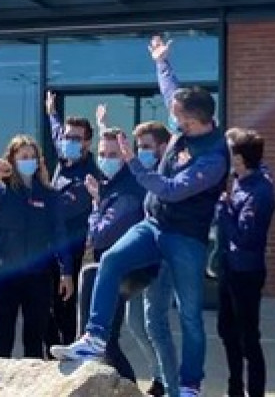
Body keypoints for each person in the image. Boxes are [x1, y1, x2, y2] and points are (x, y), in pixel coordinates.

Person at [54, 35, 229, 397]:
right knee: (112, 260)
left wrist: (131, 160)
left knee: (191, 317)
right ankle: (95, 338)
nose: (173, 120)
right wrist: (162, 62)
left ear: (196, 122)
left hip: (185, 238)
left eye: (179, 119)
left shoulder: (213, 158)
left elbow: (170, 189)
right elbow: (171, 93)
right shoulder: (186, 121)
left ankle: (190, 385)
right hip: (154, 224)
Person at [0, 134, 72, 359]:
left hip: (38, 277)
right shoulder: (0, 190)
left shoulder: (49, 195)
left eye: (32, 156)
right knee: (2, 343)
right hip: (3, 277)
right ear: (13, 160)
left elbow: (60, 234)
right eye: (23, 156)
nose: (28, 160)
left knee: (34, 342)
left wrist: (66, 272)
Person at [76, 128, 150, 383]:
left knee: (107, 342)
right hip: (115, 269)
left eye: (113, 154)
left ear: (125, 154)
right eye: (102, 153)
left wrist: (96, 206)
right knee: (109, 343)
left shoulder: (128, 190)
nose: (106, 159)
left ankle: (129, 387)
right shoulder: (113, 184)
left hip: (123, 271)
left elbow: (101, 235)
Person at [214, 129, 275, 397]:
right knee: (226, 331)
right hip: (229, 267)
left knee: (248, 337)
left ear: (240, 158)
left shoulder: (259, 191)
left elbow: (245, 235)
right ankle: (235, 387)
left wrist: (223, 208)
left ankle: (255, 391)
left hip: (246, 272)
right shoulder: (239, 180)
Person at [126, 120, 179, 397]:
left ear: (162, 146)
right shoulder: (136, 172)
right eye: (139, 147)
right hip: (136, 256)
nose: (141, 151)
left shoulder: (167, 174)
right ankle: (159, 373)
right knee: (134, 321)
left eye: (146, 146)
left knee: (155, 322)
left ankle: (173, 387)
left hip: (161, 257)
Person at [44, 91, 98, 348]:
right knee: (44, 309)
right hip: (49, 246)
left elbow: (59, 211)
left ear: (87, 143)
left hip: (72, 251)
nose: (68, 141)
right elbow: (56, 133)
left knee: (63, 307)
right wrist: (52, 112)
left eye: (76, 138)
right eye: (68, 137)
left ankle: (65, 352)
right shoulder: (64, 158)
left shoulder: (89, 176)